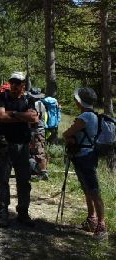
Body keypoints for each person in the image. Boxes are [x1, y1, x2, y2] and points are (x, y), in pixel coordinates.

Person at [0, 71, 38, 227]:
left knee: (24, 181)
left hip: (23, 145)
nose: (13, 86)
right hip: (4, 144)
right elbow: (0, 117)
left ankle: (23, 213)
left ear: (23, 85)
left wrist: (12, 113)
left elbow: (34, 117)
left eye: (17, 83)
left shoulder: (28, 99)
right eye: (12, 82)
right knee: (2, 180)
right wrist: (21, 115)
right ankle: (3, 213)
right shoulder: (1, 98)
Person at [63, 87, 108, 240]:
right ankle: (92, 220)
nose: (75, 101)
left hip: (85, 157)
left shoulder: (85, 116)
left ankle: (101, 226)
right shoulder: (92, 115)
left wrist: (69, 137)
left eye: (77, 99)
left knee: (93, 190)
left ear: (80, 101)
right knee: (88, 189)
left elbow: (67, 133)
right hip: (86, 155)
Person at [28, 88, 49, 181]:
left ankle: (43, 172)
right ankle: (37, 170)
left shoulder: (37, 104)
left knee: (39, 151)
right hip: (38, 129)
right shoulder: (40, 103)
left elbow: (35, 118)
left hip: (38, 130)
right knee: (36, 150)